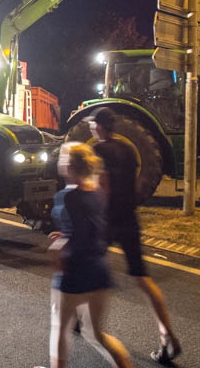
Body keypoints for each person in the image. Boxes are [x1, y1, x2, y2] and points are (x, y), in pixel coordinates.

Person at [86, 107, 182, 365]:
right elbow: (135, 183)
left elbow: (102, 187)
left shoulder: (97, 150)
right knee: (142, 278)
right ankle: (168, 336)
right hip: (129, 218)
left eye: (93, 125)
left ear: (100, 126)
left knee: (89, 268)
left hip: (108, 220)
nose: (91, 129)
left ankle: (80, 319)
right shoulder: (128, 149)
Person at [48, 142, 132, 368]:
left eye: (62, 158)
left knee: (60, 328)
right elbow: (87, 227)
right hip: (100, 270)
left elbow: (73, 236)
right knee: (95, 333)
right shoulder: (97, 193)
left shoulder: (66, 196)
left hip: (75, 269)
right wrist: (66, 233)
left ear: (68, 166)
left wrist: (56, 249)